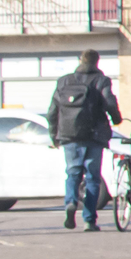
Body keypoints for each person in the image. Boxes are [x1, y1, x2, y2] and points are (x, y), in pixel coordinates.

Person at [48, 49, 121, 231]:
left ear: (80, 60)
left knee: (73, 173)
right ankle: (89, 220)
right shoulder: (101, 81)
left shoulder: (64, 81)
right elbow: (109, 102)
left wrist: (54, 135)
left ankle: (70, 203)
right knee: (92, 178)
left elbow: (51, 111)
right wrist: (116, 118)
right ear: (97, 62)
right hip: (94, 136)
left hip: (69, 135)